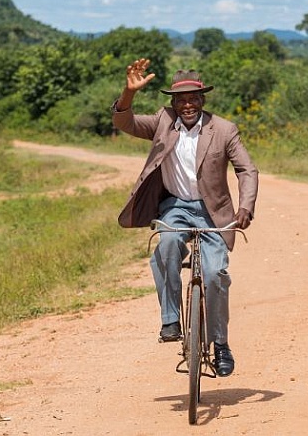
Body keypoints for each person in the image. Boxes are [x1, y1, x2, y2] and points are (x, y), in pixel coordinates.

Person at [111, 58, 259, 377]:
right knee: (166, 244)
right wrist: (129, 92)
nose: (187, 105)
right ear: (173, 103)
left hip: (213, 212)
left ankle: (221, 344)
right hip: (175, 206)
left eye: (193, 98)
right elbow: (125, 122)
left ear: (202, 100)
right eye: (181, 100)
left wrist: (245, 207)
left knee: (215, 274)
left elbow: (247, 169)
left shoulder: (223, 129)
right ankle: (170, 320)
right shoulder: (162, 121)